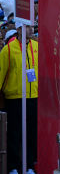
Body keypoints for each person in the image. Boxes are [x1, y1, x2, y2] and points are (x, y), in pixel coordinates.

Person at [0, 27, 38, 173]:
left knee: (31, 134)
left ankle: (29, 166)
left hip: (33, 97)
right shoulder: (8, 50)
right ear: (19, 28)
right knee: (14, 134)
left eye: (32, 27)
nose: (31, 30)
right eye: (27, 27)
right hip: (14, 98)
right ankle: (13, 167)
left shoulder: (37, 47)